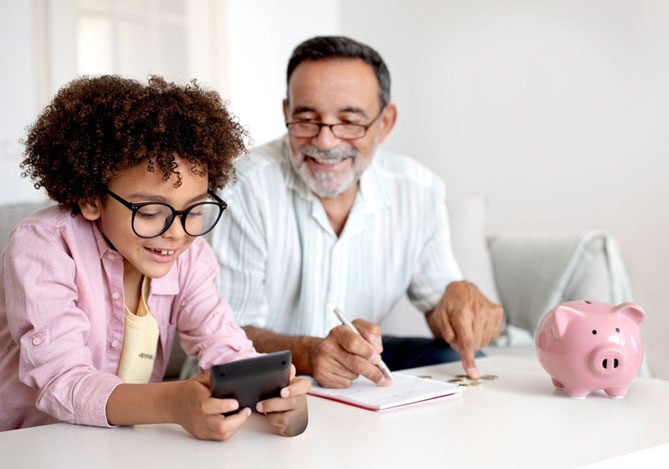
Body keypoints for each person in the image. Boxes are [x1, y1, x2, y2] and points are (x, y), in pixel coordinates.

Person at [0, 75, 309, 439]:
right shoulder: (45, 245)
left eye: (194, 211)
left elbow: (223, 344)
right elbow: (61, 380)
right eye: (149, 211)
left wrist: (277, 395)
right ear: (90, 197)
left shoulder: (190, 257)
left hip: (123, 446)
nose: (176, 232)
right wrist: (172, 403)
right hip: (27, 445)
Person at [210, 35, 505, 389]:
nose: (325, 142)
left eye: (349, 122)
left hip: (358, 365)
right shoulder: (243, 187)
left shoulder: (420, 190)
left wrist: (461, 304)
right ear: (286, 112)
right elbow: (223, 335)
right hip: (263, 373)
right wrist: (309, 353)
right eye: (306, 119)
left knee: (451, 361)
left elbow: (440, 304)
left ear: (385, 123)